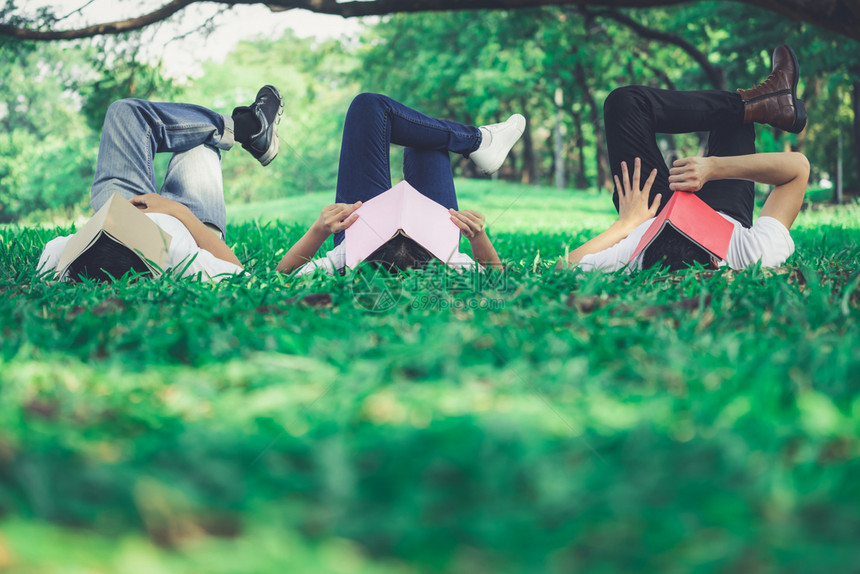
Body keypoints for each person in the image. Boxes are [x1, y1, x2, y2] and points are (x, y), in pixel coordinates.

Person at [560, 45, 810, 273]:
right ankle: (765, 103)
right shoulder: (752, 254)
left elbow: (561, 268)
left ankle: (765, 103)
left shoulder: (634, 253)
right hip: (723, 216)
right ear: (717, 261)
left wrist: (626, 226)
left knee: (624, 103)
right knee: (734, 123)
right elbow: (797, 169)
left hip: (650, 217)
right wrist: (713, 168)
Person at [37, 86, 283, 281]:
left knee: (123, 111)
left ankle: (246, 128)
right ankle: (249, 129)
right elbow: (238, 274)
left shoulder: (65, 254)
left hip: (123, 207)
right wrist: (177, 211)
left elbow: (48, 269)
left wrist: (120, 216)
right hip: (190, 226)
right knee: (200, 144)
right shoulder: (175, 256)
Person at [275, 93, 525, 275]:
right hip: (434, 235)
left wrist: (319, 230)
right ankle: (478, 141)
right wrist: (478, 237)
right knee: (427, 143)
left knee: (369, 107)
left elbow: (282, 275)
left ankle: (478, 141)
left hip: (359, 229)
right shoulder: (448, 259)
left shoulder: (346, 257)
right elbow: (495, 276)